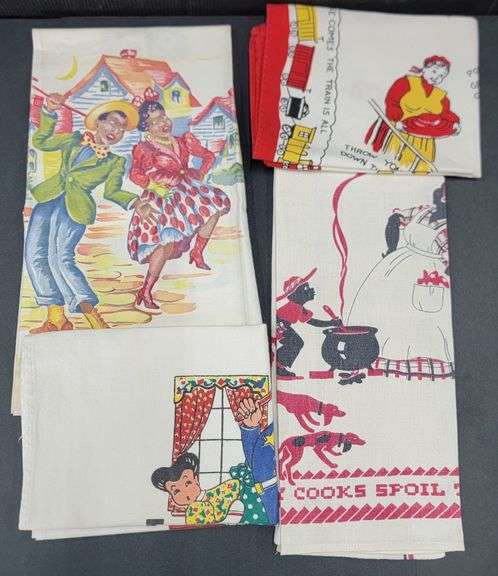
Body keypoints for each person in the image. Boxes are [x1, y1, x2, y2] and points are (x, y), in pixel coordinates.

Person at [25, 92, 154, 332]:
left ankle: (93, 316)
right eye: (112, 122)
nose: (116, 130)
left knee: (60, 258)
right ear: (99, 122)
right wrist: (49, 112)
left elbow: (112, 192)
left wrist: (136, 202)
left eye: (122, 128)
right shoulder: (74, 139)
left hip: (75, 208)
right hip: (48, 198)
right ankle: (56, 318)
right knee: (34, 256)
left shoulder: (114, 162)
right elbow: (42, 142)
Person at [127, 90, 231, 309]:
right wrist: (153, 185)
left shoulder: (183, 141)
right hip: (160, 198)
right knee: (164, 245)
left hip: (186, 190)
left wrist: (199, 174)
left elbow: (208, 155)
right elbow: (135, 175)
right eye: (154, 122)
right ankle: (146, 290)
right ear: (146, 128)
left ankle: (197, 251)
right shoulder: (144, 149)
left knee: (214, 208)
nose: (162, 124)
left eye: (163, 117)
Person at [347, 186, 452, 372]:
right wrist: (391, 248)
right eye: (440, 194)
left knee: (421, 313)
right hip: (399, 262)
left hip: (429, 270)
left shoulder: (447, 226)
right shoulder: (424, 211)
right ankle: (369, 351)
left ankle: (419, 357)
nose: (441, 198)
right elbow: (395, 219)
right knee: (384, 302)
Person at [151, 397, 278, 526]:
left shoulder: (219, 493)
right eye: (176, 491)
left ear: (196, 480)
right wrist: (250, 428)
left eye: (187, 483)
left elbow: (257, 467)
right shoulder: (195, 510)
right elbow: (258, 462)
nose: (185, 491)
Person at [365, 55, 460, 173]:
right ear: (424, 69)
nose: (436, 77)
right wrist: (396, 120)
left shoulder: (440, 95)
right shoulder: (405, 82)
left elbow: (445, 113)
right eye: (434, 71)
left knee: (420, 172)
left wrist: (455, 123)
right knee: (391, 167)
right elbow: (392, 102)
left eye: (441, 76)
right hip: (399, 133)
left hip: (424, 140)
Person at [275, 267, 339, 379]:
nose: (311, 290)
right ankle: (278, 366)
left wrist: (331, 323)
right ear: (295, 294)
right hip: (278, 325)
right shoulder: (293, 307)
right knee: (295, 342)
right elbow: (313, 322)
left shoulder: (298, 307)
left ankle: (278, 365)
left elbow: (312, 321)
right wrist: (332, 323)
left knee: (296, 342)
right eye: (306, 288)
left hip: (282, 326)